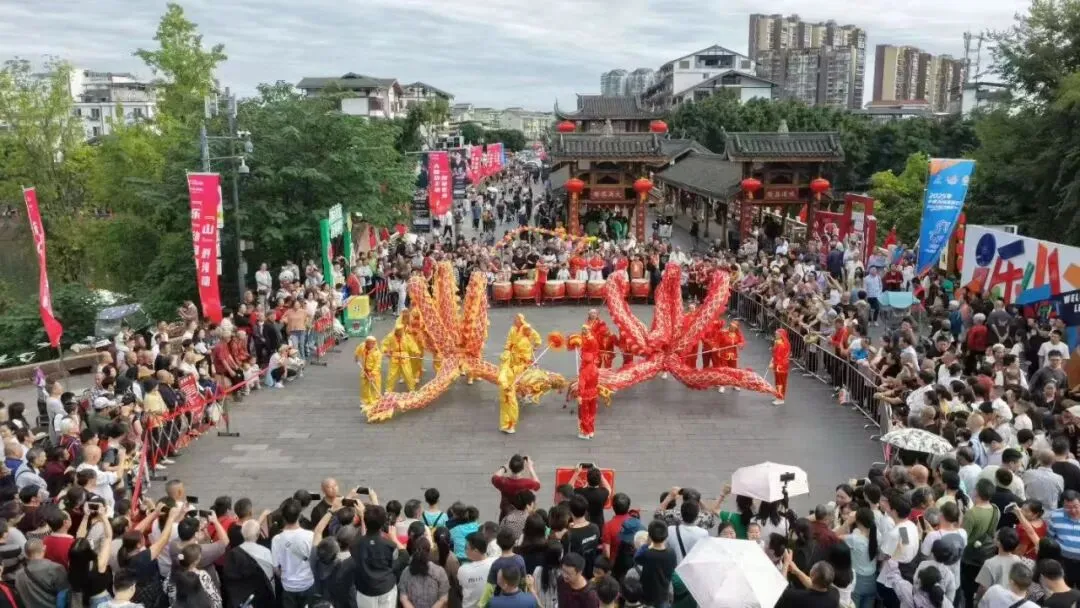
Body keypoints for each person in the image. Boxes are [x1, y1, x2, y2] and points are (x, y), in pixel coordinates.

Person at [351, 505, 399, 608]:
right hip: (386, 588)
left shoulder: (355, 545)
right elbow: (394, 563)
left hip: (365, 590)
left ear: (365, 521)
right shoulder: (391, 546)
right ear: (383, 523)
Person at [16, 538, 69, 608]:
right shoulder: (56, 569)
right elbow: (63, 596)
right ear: (44, 548)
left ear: (26, 553)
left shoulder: (18, 575)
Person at [399, 537, 450, 608]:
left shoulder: (406, 572)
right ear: (429, 552)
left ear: (413, 552)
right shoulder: (440, 571)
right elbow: (443, 599)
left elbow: (403, 599)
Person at [569, 325, 600, 439]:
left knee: (584, 414)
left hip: (586, 395)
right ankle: (591, 431)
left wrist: (579, 396)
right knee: (592, 413)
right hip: (594, 393)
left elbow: (581, 386)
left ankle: (585, 433)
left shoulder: (583, 372)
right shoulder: (595, 369)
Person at [635, 520, 676, 608]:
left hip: (648, 594)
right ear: (666, 536)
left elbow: (636, 558)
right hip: (664, 594)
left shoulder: (647, 554)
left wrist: (646, 544)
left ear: (649, 536)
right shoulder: (671, 553)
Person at [491, 455, 540, 522]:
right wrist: (530, 467)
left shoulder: (503, 482)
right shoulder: (527, 483)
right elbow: (538, 485)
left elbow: (494, 477)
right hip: (521, 517)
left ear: (510, 466)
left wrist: (505, 467)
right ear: (522, 468)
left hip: (505, 516)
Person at [776, 559, 841, 608]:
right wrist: (796, 570)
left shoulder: (800, 597)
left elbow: (781, 591)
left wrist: (786, 563)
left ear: (812, 575)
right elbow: (814, 585)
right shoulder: (835, 594)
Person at [459, 533, 495, 608]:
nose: (465, 550)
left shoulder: (463, 569)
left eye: (466, 547)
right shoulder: (494, 562)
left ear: (475, 551)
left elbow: (461, 587)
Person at [382, 326, 418, 392]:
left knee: (408, 374)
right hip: (395, 356)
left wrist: (416, 351)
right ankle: (388, 390)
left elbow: (412, 344)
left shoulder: (406, 337)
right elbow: (384, 344)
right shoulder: (390, 336)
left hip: (404, 357)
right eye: (399, 331)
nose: (401, 332)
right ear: (396, 331)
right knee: (392, 375)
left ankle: (412, 389)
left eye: (401, 331)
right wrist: (386, 351)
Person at [356, 336, 383, 411]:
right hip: (364, 371)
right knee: (364, 387)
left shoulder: (377, 353)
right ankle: (365, 402)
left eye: (371, 343)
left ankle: (376, 402)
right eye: (368, 342)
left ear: (374, 343)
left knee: (375, 387)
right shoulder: (363, 346)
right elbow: (358, 349)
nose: (369, 344)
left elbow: (377, 365)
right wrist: (356, 356)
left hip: (374, 372)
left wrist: (372, 374)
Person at [770, 328, 790, 406]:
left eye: (777, 334)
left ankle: (780, 398)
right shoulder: (780, 342)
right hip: (779, 365)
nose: (775, 335)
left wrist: (773, 363)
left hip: (781, 366)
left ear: (781, 335)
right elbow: (775, 354)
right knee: (778, 381)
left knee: (780, 382)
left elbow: (779, 356)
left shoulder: (782, 344)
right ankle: (778, 395)